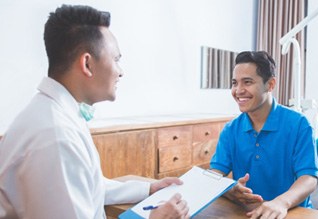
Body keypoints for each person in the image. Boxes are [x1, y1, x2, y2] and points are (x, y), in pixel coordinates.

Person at [0, 5, 189, 219]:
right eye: (116, 59)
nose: (121, 72)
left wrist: (148, 188)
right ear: (87, 63)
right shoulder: (55, 136)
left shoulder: (56, 114)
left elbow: (89, 187)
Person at [210, 51, 318, 219]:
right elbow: (215, 173)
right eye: (234, 83)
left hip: (291, 212)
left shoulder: (298, 124)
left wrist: (282, 202)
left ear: (270, 84)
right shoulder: (231, 129)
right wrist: (229, 188)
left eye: (247, 82)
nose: (238, 90)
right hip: (248, 212)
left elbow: (309, 178)